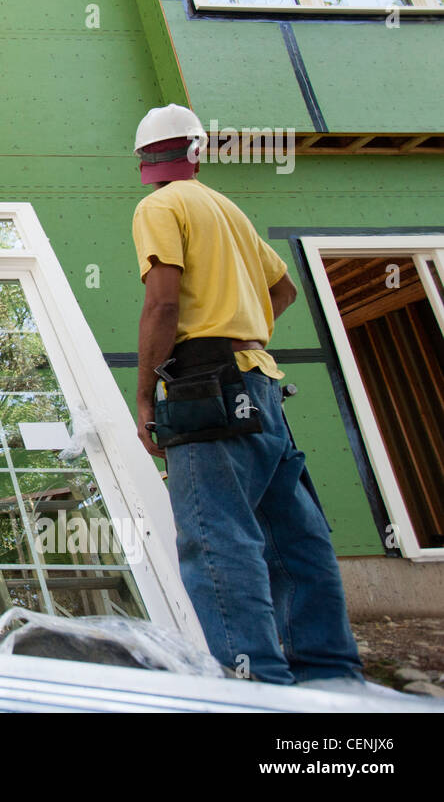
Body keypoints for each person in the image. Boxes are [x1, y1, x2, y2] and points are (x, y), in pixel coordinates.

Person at [130, 104, 363, 687]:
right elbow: (281, 288)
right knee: (294, 535)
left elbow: (162, 304)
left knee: (217, 539)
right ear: (196, 152)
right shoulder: (227, 209)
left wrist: (144, 398)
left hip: (204, 386)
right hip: (262, 382)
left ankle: (255, 685)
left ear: (143, 160)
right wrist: (247, 328)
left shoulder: (158, 206)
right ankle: (331, 675)